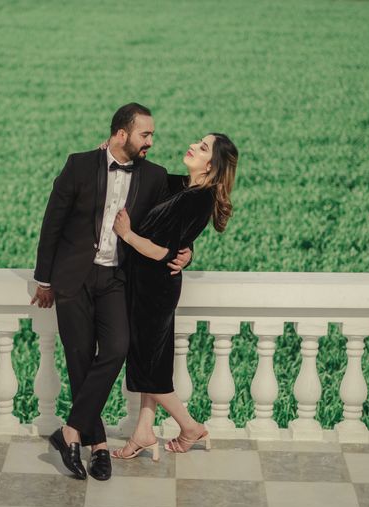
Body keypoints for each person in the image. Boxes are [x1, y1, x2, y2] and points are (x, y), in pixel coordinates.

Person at [30, 103, 192, 480]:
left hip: (118, 280)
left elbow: (179, 218)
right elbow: (52, 222)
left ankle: (70, 432)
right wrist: (45, 280)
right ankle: (98, 446)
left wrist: (186, 252)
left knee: (118, 347)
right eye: (145, 134)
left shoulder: (153, 177)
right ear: (122, 134)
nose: (151, 141)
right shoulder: (78, 165)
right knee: (80, 361)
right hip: (74, 281)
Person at [110, 132, 238, 460]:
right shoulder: (186, 188)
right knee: (154, 363)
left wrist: (126, 235)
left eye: (203, 147)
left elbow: (161, 251)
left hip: (154, 287)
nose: (193, 146)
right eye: (198, 142)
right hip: (151, 285)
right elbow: (177, 236)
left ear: (211, 165)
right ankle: (143, 431)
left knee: (145, 368)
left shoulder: (197, 198)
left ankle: (190, 426)